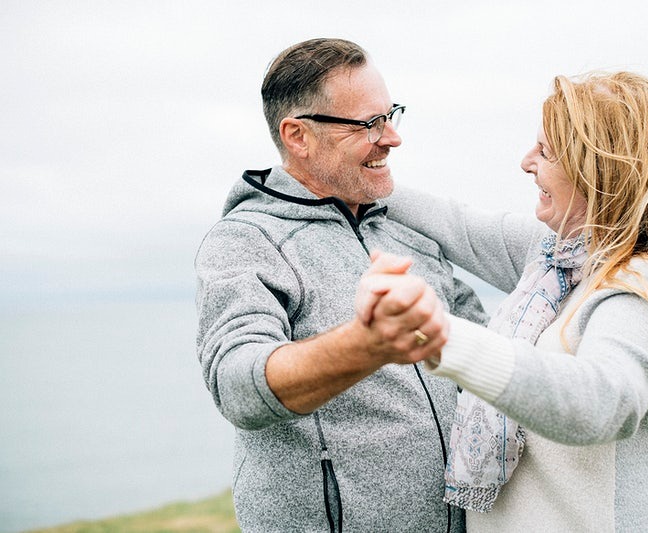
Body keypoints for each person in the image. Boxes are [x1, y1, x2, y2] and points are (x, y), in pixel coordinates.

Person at [356, 71, 648, 531]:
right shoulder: (558, 258)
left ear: (601, 170)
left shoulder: (646, 291)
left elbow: (599, 404)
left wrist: (443, 340)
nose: (525, 162)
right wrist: (347, 177)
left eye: (547, 151)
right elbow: (456, 223)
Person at [194, 38, 486, 532]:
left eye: (390, 114)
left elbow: (483, 344)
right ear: (297, 136)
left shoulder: (405, 229)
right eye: (369, 123)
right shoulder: (245, 240)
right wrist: (365, 345)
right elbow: (236, 387)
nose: (392, 137)